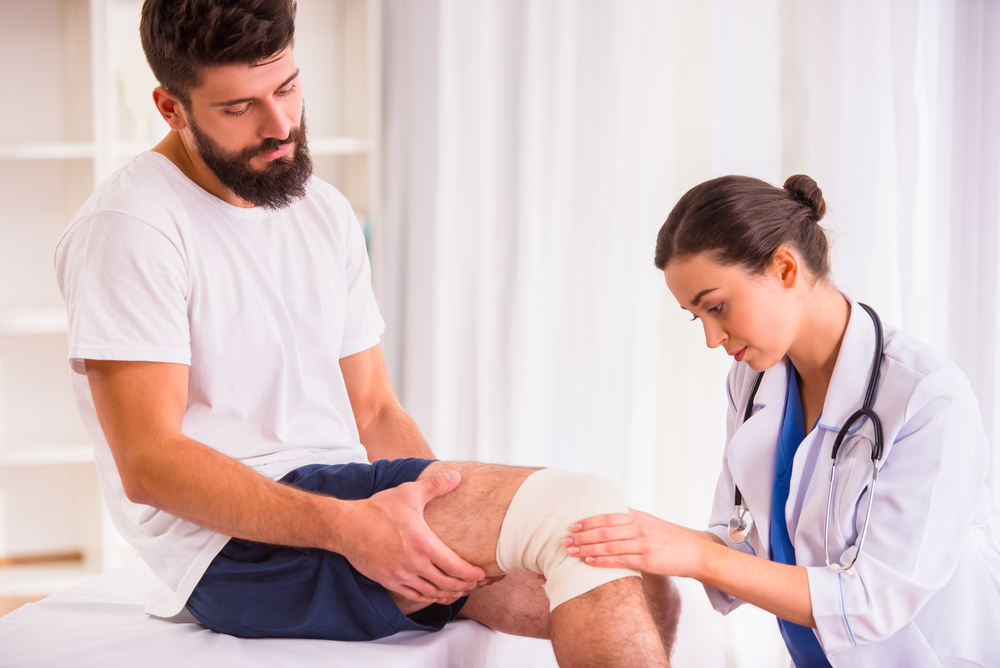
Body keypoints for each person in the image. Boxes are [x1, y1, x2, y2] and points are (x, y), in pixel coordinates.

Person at [53, 1, 680, 665]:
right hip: (234, 549)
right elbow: (150, 464)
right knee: (579, 506)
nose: (280, 125)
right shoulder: (132, 227)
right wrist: (353, 529)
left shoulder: (321, 211)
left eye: (287, 87)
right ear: (170, 107)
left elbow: (375, 408)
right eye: (239, 108)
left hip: (351, 498)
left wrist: (431, 512)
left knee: (635, 573)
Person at [565, 174, 1000, 666]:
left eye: (717, 306)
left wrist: (696, 554)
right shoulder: (752, 381)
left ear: (785, 268)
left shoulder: (927, 397)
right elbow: (747, 548)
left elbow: (872, 601)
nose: (711, 338)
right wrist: (639, 543)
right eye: (696, 316)